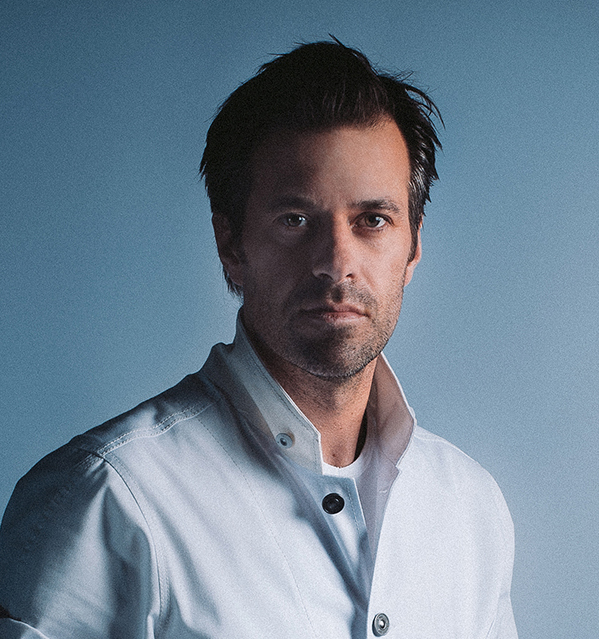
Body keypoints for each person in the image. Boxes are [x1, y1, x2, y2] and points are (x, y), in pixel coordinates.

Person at [0, 40, 517, 638]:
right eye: (295, 221)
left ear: (414, 245)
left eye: (372, 220)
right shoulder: (107, 501)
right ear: (231, 244)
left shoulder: (470, 509)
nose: (336, 264)